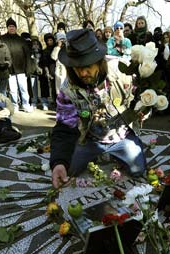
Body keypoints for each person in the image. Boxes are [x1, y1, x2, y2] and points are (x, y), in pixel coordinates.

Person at [50, 29, 146, 188]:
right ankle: (94, 154)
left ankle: (120, 152)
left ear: (99, 61)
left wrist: (144, 111)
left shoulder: (123, 70)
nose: (82, 72)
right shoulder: (67, 89)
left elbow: (144, 98)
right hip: (89, 140)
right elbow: (64, 127)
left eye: (87, 65)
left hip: (122, 137)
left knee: (138, 170)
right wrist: (59, 162)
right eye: (76, 67)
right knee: (69, 170)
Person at [0, 17, 33, 113]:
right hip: (9, 69)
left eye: (13, 26)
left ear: (16, 28)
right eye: (10, 26)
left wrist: (28, 68)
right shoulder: (2, 39)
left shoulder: (21, 40)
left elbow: (27, 55)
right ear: (7, 27)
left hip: (21, 69)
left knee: (23, 88)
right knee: (13, 90)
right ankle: (15, 105)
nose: (11, 28)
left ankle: (26, 104)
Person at [41, 33, 57, 105]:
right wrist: (47, 72)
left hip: (59, 70)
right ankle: (55, 101)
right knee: (53, 88)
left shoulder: (57, 48)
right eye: (48, 41)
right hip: (51, 70)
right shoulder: (45, 51)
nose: (50, 42)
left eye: (51, 40)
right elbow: (45, 63)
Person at [51, 32, 67, 98]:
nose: (62, 41)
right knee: (59, 86)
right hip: (59, 69)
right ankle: (60, 103)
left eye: (63, 39)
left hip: (67, 69)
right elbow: (53, 57)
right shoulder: (56, 48)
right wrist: (58, 47)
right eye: (61, 40)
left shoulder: (67, 47)